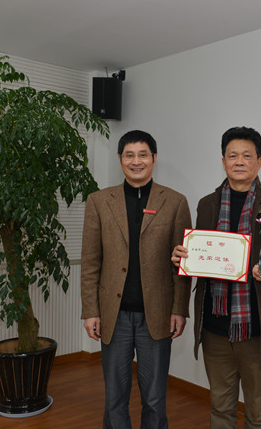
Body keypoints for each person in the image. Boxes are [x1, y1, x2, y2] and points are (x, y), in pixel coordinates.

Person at [172, 126, 261, 429]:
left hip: (257, 327)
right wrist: (184, 256)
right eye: (232, 155)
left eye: (247, 155)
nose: (239, 161)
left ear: (259, 162)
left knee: (258, 413)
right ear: (223, 161)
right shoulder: (207, 204)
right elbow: (202, 253)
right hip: (215, 327)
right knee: (220, 407)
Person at [81, 130, 192, 429]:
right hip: (113, 315)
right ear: (120, 159)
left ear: (154, 159)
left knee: (154, 399)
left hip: (156, 314)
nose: (136, 161)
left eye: (143, 154)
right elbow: (90, 262)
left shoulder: (175, 202)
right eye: (129, 155)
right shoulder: (99, 201)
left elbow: (182, 263)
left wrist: (179, 309)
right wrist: (91, 311)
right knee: (114, 397)